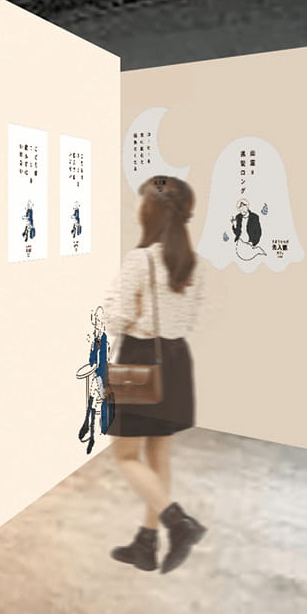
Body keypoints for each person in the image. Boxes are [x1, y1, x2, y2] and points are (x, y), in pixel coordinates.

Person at [102, 176, 208, 575]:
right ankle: (146, 543)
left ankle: (178, 523)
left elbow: (116, 317)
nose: (135, 207)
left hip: (140, 358)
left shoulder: (141, 260)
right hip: (177, 360)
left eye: (140, 201)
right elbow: (190, 318)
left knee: (126, 455)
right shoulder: (192, 262)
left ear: (151, 210)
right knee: (158, 453)